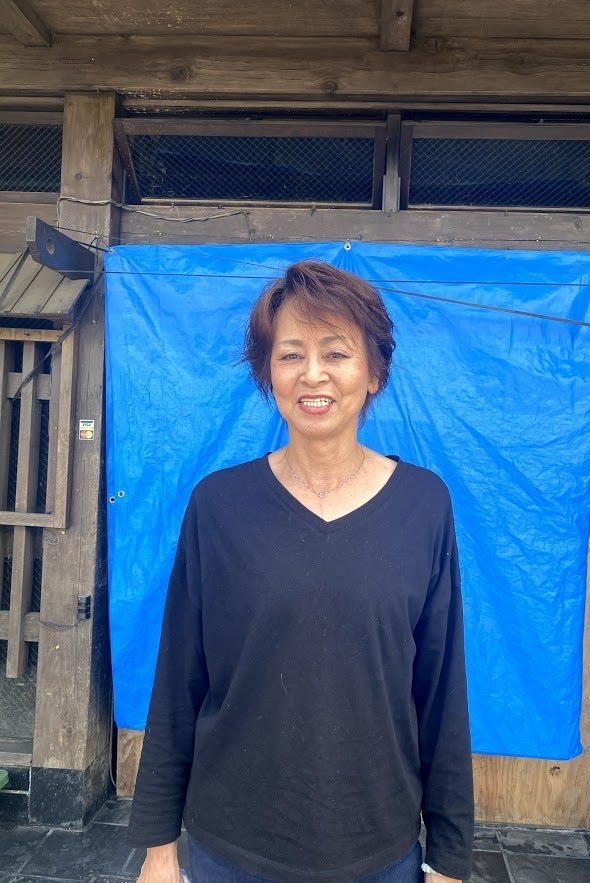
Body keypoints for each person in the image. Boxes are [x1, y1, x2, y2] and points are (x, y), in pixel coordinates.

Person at [127, 259, 474, 883]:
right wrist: (157, 848)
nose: (313, 374)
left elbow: (441, 687)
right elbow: (179, 678)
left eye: (336, 353)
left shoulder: (424, 504)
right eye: (291, 355)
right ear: (268, 372)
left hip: (378, 847)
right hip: (231, 847)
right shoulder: (218, 505)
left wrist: (448, 856)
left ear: (374, 372)